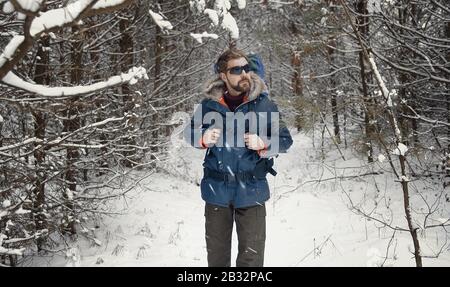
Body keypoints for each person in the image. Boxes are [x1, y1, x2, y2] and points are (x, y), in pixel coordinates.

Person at [184, 48, 293, 267]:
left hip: (252, 190)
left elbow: (285, 139)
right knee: (217, 260)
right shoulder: (209, 105)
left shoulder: (264, 104)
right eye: (236, 70)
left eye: (246, 68)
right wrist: (202, 138)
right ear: (223, 75)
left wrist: (264, 143)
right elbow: (189, 133)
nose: (244, 73)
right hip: (217, 192)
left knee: (251, 262)